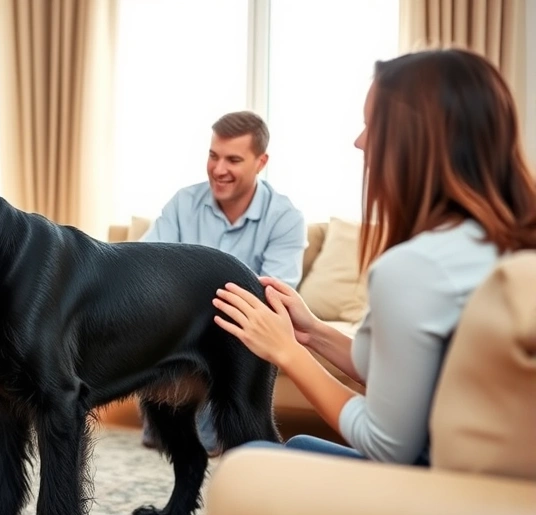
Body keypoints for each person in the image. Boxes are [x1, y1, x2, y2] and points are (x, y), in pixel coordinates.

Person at [212, 47, 536, 466]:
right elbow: (408, 374)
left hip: (434, 479)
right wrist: (312, 331)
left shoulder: (417, 268)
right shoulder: (501, 241)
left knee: (250, 464)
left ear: (413, 142)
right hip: (495, 474)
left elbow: (386, 444)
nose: (359, 141)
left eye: (371, 125)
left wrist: (288, 352)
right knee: (289, 453)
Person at [138, 110, 307, 452]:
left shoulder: (285, 218)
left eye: (233, 159)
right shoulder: (183, 203)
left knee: (226, 435)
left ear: (261, 162)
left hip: (237, 329)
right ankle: (173, 426)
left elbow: (271, 297)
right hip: (180, 325)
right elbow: (145, 266)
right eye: (213, 156)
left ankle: (212, 431)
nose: (218, 169)